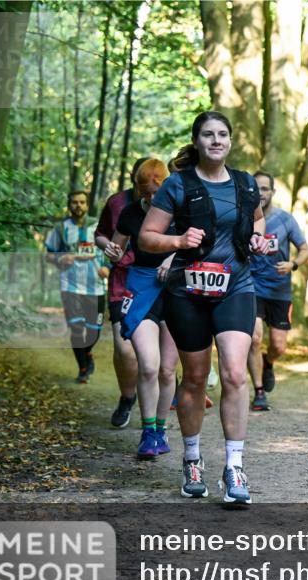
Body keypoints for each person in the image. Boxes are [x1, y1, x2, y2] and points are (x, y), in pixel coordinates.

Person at [139, 111, 269, 504]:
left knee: (233, 373)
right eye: (208, 135)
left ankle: (234, 469)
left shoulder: (246, 185)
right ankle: (192, 459)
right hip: (188, 291)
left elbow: (258, 222)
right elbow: (146, 238)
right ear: (196, 141)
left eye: (223, 134)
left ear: (230, 141)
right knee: (194, 378)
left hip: (236, 287)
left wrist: (259, 241)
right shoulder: (177, 185)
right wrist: (178, 241)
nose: (216, 140)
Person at [107, 158, 179, 460]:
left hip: (176, 289)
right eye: (144, 193)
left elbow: (196, 245)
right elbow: (117, 247)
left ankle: (161, 429)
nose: (149, 199)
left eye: (154, 193)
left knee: (166, 369)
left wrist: (170, 259)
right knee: (148, 364)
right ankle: (148, 432)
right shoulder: (130, 212)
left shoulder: (179, 211)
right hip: (141, 286)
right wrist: (113, 251)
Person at [247, 170, 308, 411]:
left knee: (278, 346)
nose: (260, 193)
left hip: (279, 291)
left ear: (272, 192)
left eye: (265, 189)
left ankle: (268, 362)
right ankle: (259, 391)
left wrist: (293, 264)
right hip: (251, 285)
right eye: (256, 189)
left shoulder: (285, 219)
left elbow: (304, 249)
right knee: (254, 337)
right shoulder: (246, 219)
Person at [96, 157, 152, 428]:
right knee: (125, 349)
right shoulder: (117, 202)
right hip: (122, 280)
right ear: (133, 178)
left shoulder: (167, 201)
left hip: (154, 282)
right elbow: (101, 234)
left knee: (153, 350)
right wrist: (108, 247)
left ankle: (155, 413)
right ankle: (127, 398)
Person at [45, 190, 108, 383]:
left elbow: (112, 252)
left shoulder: (99, 227)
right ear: (69, 205)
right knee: (76, 328)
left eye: (82, 202)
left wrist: (107, 267)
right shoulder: (60, 228)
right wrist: (60, 258)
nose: (78, 206)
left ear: (87, 205)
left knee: (94, 331)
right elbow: (49, 255)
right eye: (74, 202)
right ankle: (82, 368)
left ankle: (87, 354)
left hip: (95, 288)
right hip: (70, 287)